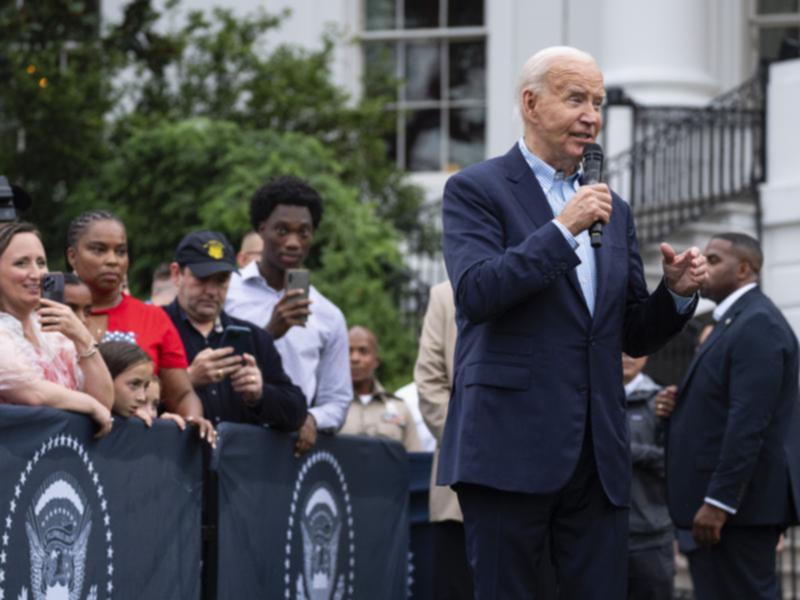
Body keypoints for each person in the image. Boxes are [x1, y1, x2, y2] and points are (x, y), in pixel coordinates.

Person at [439, 45, 708, 598]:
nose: (592, 115)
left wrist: (675, 295)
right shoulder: (476, 190)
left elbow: (630, 332)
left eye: (598, 101)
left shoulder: (615, 208)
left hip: (597, 455)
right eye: (576, 98)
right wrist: (562, 229)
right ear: (531, 103)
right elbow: (478, 293)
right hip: (508, 449)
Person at [666, 232, 800, 600]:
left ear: (744, 269)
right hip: (720, 511)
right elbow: (721, 407)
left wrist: (719, 502)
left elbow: (749, 421)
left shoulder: (758, 324)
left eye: (713, 260)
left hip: (738, 512)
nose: (701, 267)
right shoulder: (732, 322)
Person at [66, 210, 216, 446]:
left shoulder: (154, 318)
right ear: (73, 257)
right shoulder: (48, 314)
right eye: (99, 249)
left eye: (121, 251)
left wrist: (191, 422)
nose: (113, 260)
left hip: (135, 457)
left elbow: (183, 395)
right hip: (63, 450)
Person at [225, 176, 351, 455]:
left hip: (289, 451)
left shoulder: (328, 315)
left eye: (303, 232)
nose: (293, 242)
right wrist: (269, 332)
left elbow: (338, 400)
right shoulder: (226, 294)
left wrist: (311, 417)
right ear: (262, 230)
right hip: (230, 437)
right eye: (282, 231)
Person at [163, 230, 307, 429]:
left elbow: (297, 411)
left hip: (236, 458)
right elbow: (123, 399)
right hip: (169, 458)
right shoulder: (153, 327)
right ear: (177, 274)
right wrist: (186, 380)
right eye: (202, 279)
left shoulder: (255, 337)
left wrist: (260, 394)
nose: (212, 291)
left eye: (221, 280)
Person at [0, 221, 113, 436]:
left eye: (41, 263)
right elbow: (33, 392)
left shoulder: (52, 330)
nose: (36, 274)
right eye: (21, 263)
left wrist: (82, 336)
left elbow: (104, 403)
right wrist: (89, 405)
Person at [415, 280, 474, 599]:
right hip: (458, 490)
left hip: (538, 488)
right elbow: (428, 383)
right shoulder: (444, 294)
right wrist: (471, 444)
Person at [622, 353, 675, 600]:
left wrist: (627, 452)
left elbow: (674, 462)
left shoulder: (663, 401)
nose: (626, 356)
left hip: (650, 536)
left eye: (634, 349)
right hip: (600, 533)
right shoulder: (592, 397)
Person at [340, 325, 421, 451]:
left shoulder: (400, 408)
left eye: (363, 351)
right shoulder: (330, 408)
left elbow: (415, 459)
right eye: (348, 351)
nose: (355, 358)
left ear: (376, 360)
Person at [98, 340, 188, 428]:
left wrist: (162, 430)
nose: (142, 397)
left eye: (145, 387)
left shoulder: (141, 422)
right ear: (106, 379)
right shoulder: (85, 414)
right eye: (134, 384)